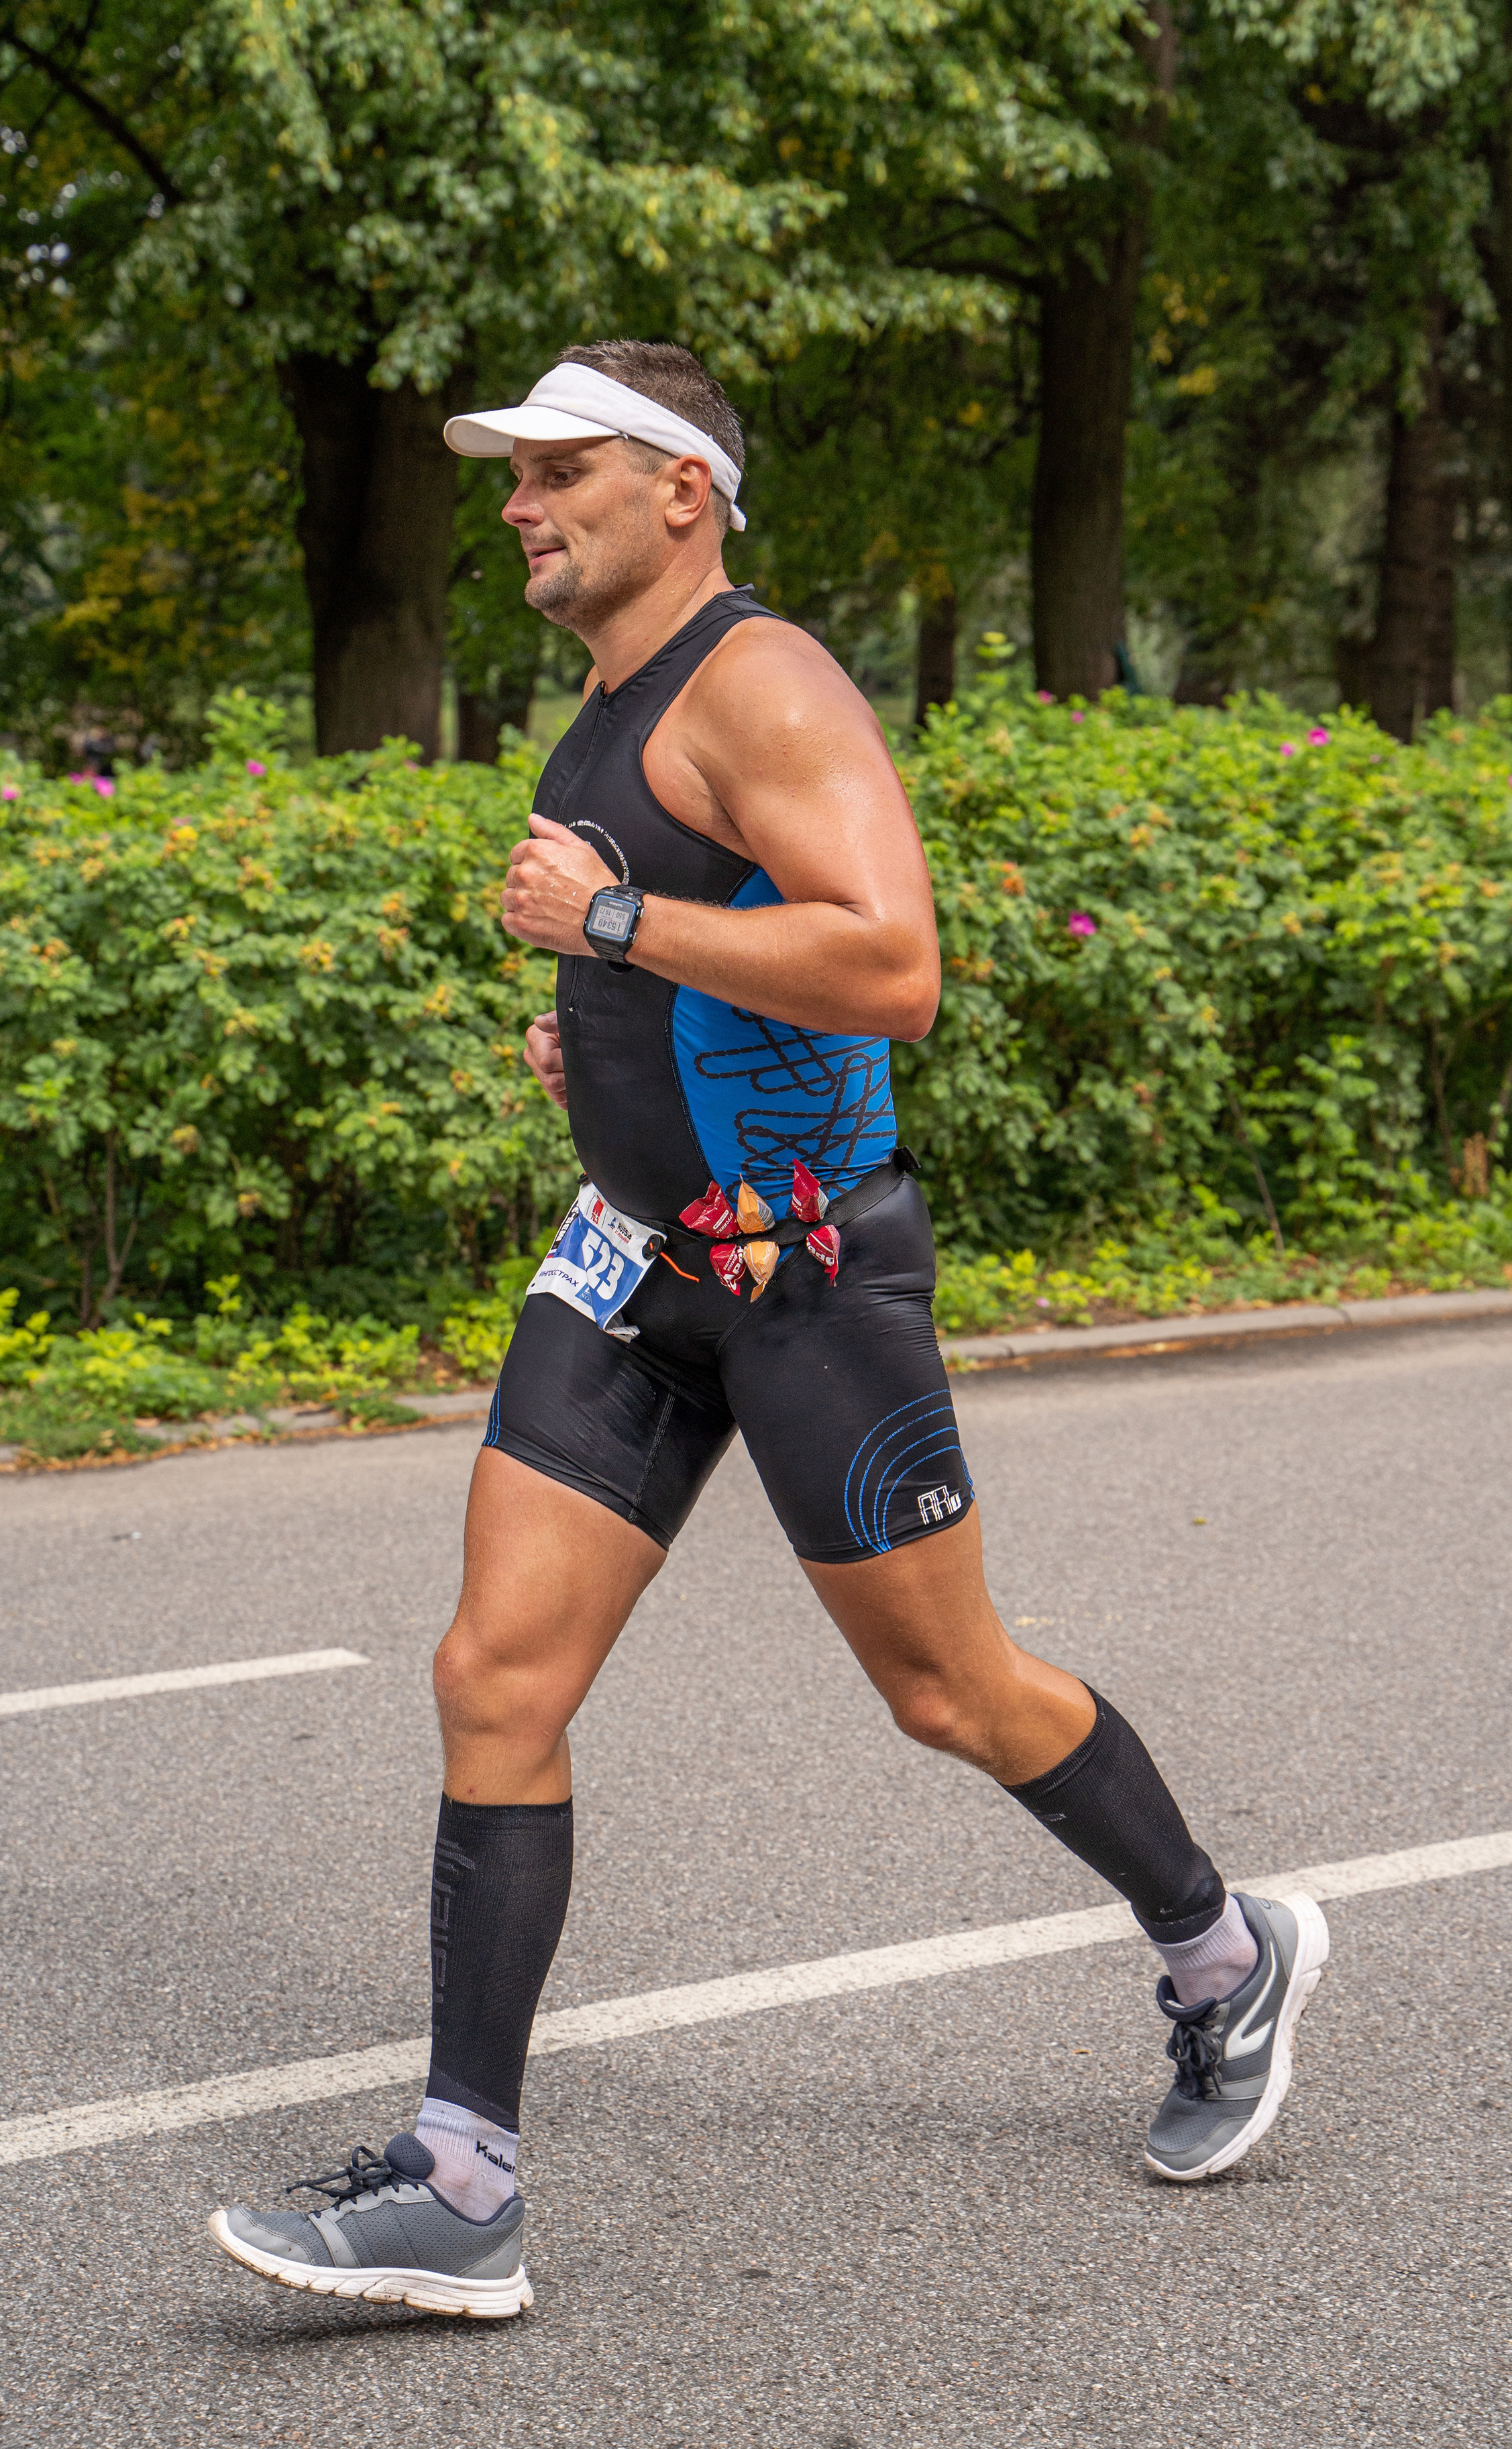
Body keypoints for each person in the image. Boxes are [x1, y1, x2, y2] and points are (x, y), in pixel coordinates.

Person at [208, 340, 1328, 2318]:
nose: (518, 506)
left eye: (558, 472)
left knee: (952, 1694)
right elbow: (734, 943)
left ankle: (1224, 1948)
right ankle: (463, 2182)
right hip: (639, 1263)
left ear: (679, 491)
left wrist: (614, 936)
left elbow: (891, 963)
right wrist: (617, 1024)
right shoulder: (611, 695)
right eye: (512, 478)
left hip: (808, 1278)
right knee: (495, 1676)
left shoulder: (765, 679)